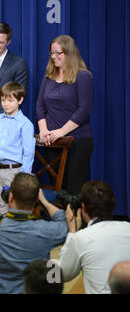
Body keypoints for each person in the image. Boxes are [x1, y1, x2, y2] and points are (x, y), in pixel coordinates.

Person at [0, 173, 68, 294]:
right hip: (32, 291)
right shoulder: (45, 230)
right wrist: (45, 202)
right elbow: (64, 222)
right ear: (36, 199)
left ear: (10, 197)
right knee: (54, 267)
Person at [36, 35, 94, 195]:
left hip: (77, 141)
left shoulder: (82, 76)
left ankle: (75, 221)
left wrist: (60, 132)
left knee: (74, 191)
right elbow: (40, 107)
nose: (54, 57)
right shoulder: (48, 78)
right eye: (52, 53)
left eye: (58, 53)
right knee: (58, 190)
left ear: (69, 53)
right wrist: (43, 131)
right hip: (52, 142)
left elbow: (83, 110)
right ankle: (60, 219)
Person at [58, 180, 130, 294]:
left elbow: (61, 274)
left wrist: (72, 231)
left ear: (83, 208)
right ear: (113, 204)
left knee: (46, 268)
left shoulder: (81, 237)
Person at [0, 82, 35, 215]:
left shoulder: (25, 124)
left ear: (20, 100)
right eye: (3, 100)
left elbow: (28, 153)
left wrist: (23, 177)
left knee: (16, 207)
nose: (6, 104)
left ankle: (14, 233)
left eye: (10, 100)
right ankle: (4, 233)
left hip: (14, 171)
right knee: (1, 205)